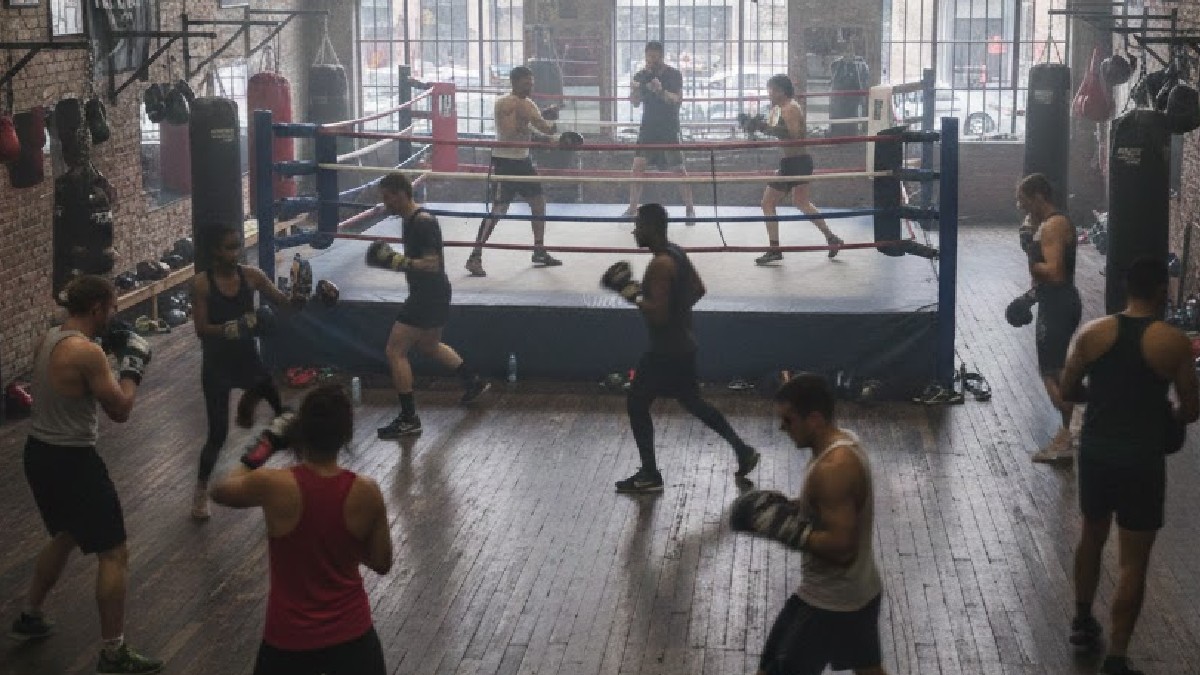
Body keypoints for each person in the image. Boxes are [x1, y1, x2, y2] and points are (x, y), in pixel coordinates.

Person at [9, 275, 162, 673]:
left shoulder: (51, 338)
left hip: (38, 455)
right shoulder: (87, 354)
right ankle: (114, 651)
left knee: (66, 534)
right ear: (97, 308)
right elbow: (121, 409)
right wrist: (133, 365)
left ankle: (30, 614)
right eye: (111, 309)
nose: (114, 316)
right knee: (113, 552)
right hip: (72, 462)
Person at [1059, 257, 1199, 675]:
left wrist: (1104, 399)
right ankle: (1117, 657)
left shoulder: (1092, 333)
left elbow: (1069, 390)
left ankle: (1083, 623)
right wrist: (1170, 417)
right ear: (1160, 290)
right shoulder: (1172, 342)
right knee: (1133, 561)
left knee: (1092, 535)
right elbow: (1190, 411)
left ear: (1125, 289)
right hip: (1142, 460)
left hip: (1098, 453)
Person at [210, 384, 393, 675]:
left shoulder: (274, 485)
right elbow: (382, 562)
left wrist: (267, 442)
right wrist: (341, 541)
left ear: (301, 432)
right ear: (346, 434)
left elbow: (219, 489)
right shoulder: (366, 491)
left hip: (289, 640)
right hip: (353, 639)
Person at [730, 373, 886, 675]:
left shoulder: (833, 468)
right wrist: (794, 508)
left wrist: (788, 529)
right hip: (858, 591)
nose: (782, 428)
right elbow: (838, 510)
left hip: (831, 603)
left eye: (789, 421)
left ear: (814, 419)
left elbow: (842, 548)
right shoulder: (843, 442)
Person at [602, 203, 758, 492]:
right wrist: (675, 311)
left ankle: (650, 474)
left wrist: (631, 294)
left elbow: (657, 314)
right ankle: (742, 449)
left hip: (666, 351)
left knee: (636, 402)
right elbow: (698, 289)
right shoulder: (677, 252)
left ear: (650, 227)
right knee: (694, 403)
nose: (635, 230)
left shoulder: (660, 264)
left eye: (638, 225)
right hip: (684, 344)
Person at [367, 172, 490, 438]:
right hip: (433, 293)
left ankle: (409, 418)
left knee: (395, 351)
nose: (385, 204)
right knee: (428, 345)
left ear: (400, 194)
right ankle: (472, 381)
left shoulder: (422, 222)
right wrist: (399, 263)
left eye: (388, 198)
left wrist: (397, 262)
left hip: (427, 295)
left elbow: (431, 263)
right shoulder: (410, 220)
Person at [190, 225, 296, 520]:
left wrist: (303, 294)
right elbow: (201, 330)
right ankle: (200, 492)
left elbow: (284, 304)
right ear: (215, 251)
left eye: (238, 246)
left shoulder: (252, 276)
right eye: (229, 247)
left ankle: (307, 478)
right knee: (218, 434)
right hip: (217, 366)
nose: (235, 253)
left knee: (285, 416)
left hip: (249, 361)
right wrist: (240, 325)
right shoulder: (202, 284)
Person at [466, 66, 563, 277]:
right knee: (498, 210)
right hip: (505, 161)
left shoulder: (529, 104)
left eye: (531, 82)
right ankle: (474, 256)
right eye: (526, 82)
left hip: (523, 161)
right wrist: (530, 119)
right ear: (515, 82)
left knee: (538, 203)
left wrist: (552, 120)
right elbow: (509, 134)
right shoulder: (505, 103)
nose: (530, 86)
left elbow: (545, 129)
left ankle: (538, 250)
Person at [1017, 173, 1081, 463]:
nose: (1021, 206)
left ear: (1038, 197)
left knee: (1050, 372)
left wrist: (1032, 260)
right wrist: (1029, 299)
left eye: (1024, 200)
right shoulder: (1048, 224)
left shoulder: (1054, 226)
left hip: (1058, 304)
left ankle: (1071, 434)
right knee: (1056, 370)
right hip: (1055, 301)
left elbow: (1054, 271)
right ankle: (1067, 434)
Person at [753, 74, 843, 265]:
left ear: (781, 91)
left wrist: (765, 128)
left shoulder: (791, 108)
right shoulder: (777, 109)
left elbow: (794, 136)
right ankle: (831, 237)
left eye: (772, 89)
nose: (769, 93)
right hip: (793, 162)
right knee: (801, 202)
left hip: (796, 162)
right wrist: (757, 126)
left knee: (768, 203)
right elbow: (775, 132)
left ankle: (775, 248)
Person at [624, 41, 696, 221]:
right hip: (648, 127)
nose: (651, 61)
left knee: (678, 169)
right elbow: (635, 102)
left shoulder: (673, 74)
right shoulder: (641, 75)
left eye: (655, 58)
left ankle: (689, 208)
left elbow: (677, 99)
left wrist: (660, 90)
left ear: (661, 57)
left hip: (668, 126)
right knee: (638, 166)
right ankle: (633, 207)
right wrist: (634, 91)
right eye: (648, 57)